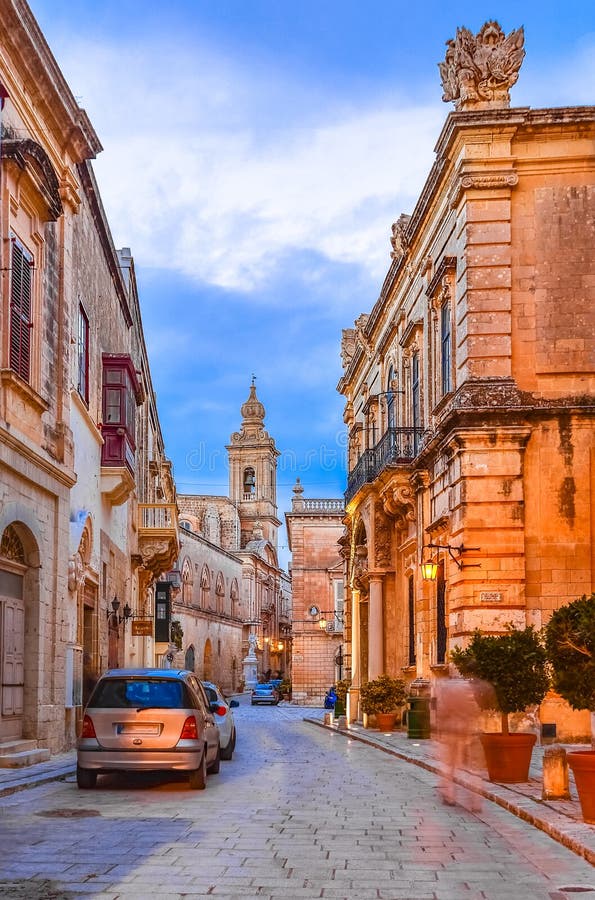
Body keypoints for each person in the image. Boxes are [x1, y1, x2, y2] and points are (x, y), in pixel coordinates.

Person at [433, 676, 492, 810]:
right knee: (474, 767)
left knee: (449, 765)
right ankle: (476, 800)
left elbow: (441, 712)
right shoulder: (467, 689)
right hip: (467, 732)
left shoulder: (445, 688)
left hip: (450, 732)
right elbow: (475, 709)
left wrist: (439, 729)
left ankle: (449, 795)